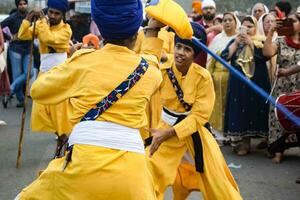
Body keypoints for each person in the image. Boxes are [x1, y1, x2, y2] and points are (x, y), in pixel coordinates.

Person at [14, 0, 166, 199]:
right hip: (132, 177)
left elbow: (37, 90)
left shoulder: (82, 62)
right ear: (135, 34)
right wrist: (152, 33)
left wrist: (72, 60)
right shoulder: (150, 73)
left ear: (100, 27)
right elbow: (150, 59)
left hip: (82, 166)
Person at [146, 22, 242, 200]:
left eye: (187, 49)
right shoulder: (163, 68)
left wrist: (170, 132)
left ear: (195, 54)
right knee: (148, 173)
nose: (181, 52)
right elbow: (145, 60)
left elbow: (200, 116)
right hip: (164, 132)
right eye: (179, 47)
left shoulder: (203, 77)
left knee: (218, 183)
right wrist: (152, 28)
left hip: (195, 134)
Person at [18, 0, 72, 157]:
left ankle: (63, 137)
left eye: (57, 14)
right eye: (51, 12)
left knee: (58, 109)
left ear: (63, 15)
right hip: (44, 71)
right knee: (40, 107)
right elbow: (22, 35)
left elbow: (50, 40)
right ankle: (61, 136)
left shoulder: (66, 29)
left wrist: (41, 21)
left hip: (60, 73)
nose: (53, 16)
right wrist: (28, 19)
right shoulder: (43, 25)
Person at [222, 16, 271, 156]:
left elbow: (264, 56)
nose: (247, 30)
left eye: (250, 26)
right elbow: (225, 57)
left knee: (260, 110)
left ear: (256, 28)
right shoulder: (235, 41)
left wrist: (251, 44)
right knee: (241, 111)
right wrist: (236, 43)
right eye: (244, 27)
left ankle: (269, 143)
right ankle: (245, 143)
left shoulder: (260, 41)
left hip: (257, 83)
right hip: (239, 84)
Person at [262, 11, 300, 164]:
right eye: (287, 21)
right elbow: (267, 53)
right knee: (278, 117)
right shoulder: (281, 41)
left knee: (297, 116)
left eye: (293, 21)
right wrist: (271, 32)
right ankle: (278, 151)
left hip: (298, 87)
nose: (290, 24)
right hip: (281, 86)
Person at [207, 12, 240, 135]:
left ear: (235, 22)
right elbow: (210, 59)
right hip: (217, 78)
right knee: (217, 105)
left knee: (231, 106)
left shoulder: (239, 38)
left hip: (234, 78)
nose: (227, 22)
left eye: (230, 20)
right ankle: (219, 135)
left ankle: (232, 135)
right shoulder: (217, 39)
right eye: (225, 20)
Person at [0, 0, 31, 107]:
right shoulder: (13, 17)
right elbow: (1, 25)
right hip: (16, 49)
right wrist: (9, 37)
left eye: (24, 4)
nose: (23, 6)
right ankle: (21, 100)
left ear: (27, 4)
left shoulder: (30, 16)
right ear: (17, 6)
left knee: (29, 73)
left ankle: (10, 91)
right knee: (17, 75)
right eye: (20, 4)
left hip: (28, 49)